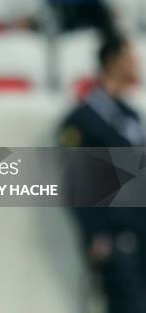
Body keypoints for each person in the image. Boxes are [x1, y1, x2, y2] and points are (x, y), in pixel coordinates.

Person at [58, 39, 146, 313]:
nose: (136, 63)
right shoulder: (81, 121)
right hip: (113, 235)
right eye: (130, 57)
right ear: (112, 62)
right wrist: (95, 233)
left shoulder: (130, 115)